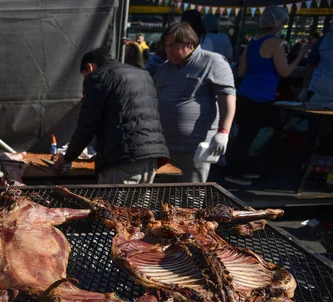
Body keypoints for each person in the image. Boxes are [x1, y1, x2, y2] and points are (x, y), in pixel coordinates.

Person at [53, 48, 169, 184]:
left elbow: (86, 126)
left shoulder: (98, 78)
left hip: (122, 160)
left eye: (85, 75)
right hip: (151, 158)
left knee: (111, 205)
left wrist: (68, 158)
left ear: (90, 67)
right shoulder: (143, 75)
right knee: (137, 205)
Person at [225, 6, 308, 186]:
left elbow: (241, 70)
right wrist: (299, 56)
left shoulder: (252, 43)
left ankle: (241, 169)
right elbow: (284, 71)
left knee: (244, 135)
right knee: (252, 135)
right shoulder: (276, 43)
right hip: (261, 96)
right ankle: (236, 173)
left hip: (245, 93)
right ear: (279, 23)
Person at [154, 22, 236, 183]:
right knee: (164, 196)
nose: (168, 50)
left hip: (195, 148)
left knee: (190, 198)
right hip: (165, 147)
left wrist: (224, 132)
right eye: (166, 46)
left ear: (189, 44)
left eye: (173, 45)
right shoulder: (164, 68)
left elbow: (227, 97)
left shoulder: (213, 62)